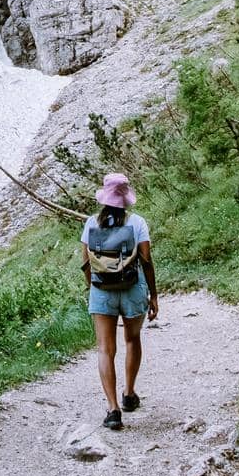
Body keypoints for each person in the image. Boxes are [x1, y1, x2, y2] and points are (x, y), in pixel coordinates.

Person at [81, 172, 158, 430]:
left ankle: (113, 409)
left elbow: (85, 264)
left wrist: (92, 289)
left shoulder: (91, 222)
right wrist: (154, 294)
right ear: (125, 197)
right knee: (132, 339)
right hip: (132, 288)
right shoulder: (137, 223)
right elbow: (146, 261)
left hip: (101, 290)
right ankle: (129, 394)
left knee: (105, 349)